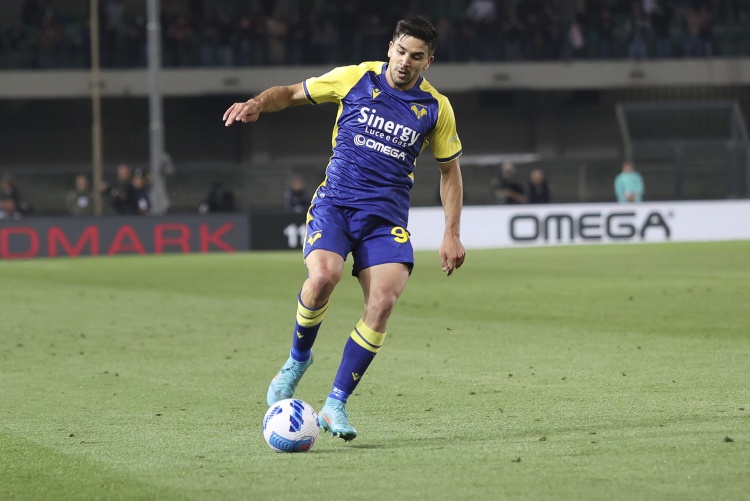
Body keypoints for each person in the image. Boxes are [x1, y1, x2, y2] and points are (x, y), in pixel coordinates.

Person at [223, 16, 465, 441]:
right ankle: (298, 359)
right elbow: (290, 93)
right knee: (323, 277)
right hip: (335, 205)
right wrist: (258, 102)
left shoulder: (435, 107)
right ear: (390, 47)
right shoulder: (355, 78)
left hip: (385, 219)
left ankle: (336, 403)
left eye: (416, 56)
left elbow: (450, 172)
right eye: (401, 52)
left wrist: (452, 232)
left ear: (428, 61)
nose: (405, 62)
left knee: (383, 302)